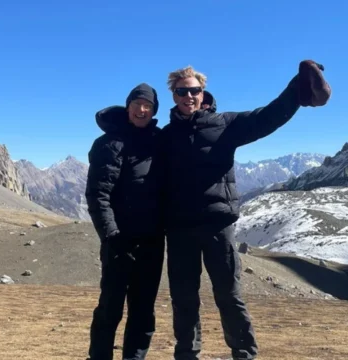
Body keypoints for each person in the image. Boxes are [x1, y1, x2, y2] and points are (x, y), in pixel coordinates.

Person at [159, 62, 330, 360]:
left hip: (217, 226)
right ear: (173, 96)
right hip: (179, 229)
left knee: (228, 295)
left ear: (203, 92)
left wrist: (297, 87)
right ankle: (186, 354)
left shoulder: (225, 124)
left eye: (194, 90)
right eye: (181, 91)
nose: (189, 96)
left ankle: (244, 353)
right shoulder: (164, 137)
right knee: (184, 298)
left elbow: (267, 118)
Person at [85, 83, 165, 360]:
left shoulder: (159, 140)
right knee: (110, 309)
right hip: (119, 242)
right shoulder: (108, 144)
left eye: (148, 106)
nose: (142, 110)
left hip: (152, 242)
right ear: (128, 106)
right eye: (137, 104)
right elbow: (98, 194)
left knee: (144, 312)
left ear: (154, 110)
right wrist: (111, 234)